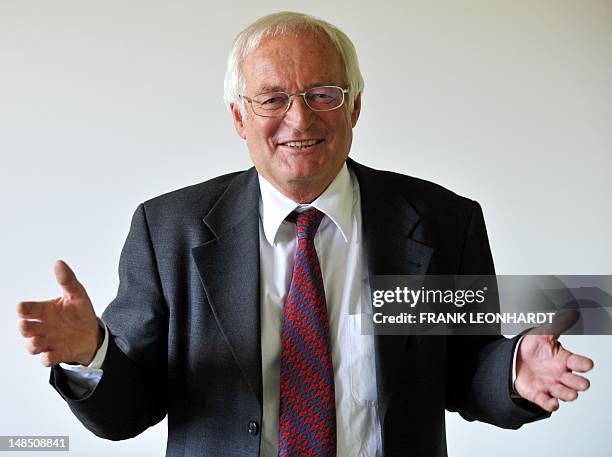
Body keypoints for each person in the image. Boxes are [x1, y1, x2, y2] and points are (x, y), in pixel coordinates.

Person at [17, 11, 593, 457]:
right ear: (239, 117)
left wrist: (514, 369)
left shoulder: (441, 220)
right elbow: (129, 411)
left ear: (355, 107)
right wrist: (89, 356)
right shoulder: (169, 230)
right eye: (272, 99)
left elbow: (468, 371)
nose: (300, 119)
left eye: (323, 94)